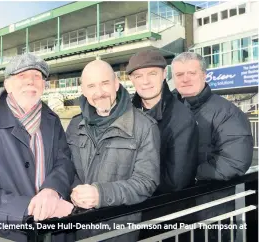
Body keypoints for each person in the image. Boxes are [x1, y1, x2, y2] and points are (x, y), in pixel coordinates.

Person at [0, 53, 75, 241]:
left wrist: (52, 190)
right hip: (10, 234)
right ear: (7, 85)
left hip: (54, 233)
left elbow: (64, 162)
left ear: (44, 85)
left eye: (37, 76)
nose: (31, 81)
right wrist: (31, 207)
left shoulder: (52, 121)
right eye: (22, 76)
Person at [66, 59, 160, 241]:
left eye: (105, 83)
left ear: (116, 84)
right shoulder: (74, 125)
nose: (99, 92)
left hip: (119, 232)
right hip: (79, 229)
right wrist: (76, 191)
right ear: (83, 91)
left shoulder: (144, 126)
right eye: (91, 86)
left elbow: (146, 182)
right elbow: (67, 168)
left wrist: (101, 194)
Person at [172, 52, 253, 241]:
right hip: (175, 209)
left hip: (211, 210)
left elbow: (235, 161)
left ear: (204, 75)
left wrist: (190, 173)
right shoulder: (168, 110)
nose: (185, 79)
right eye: (179, 74)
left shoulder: (226, 112)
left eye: (191, 73)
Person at [129, 50, 199, 240]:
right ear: (132, 80)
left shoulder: (181, 118)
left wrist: (127, 184)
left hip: (167, 218)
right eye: (138, 76)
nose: (145, 81)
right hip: (133, 215)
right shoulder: (126, 112)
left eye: (152, 74)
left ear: (163, 74)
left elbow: (176, 180)